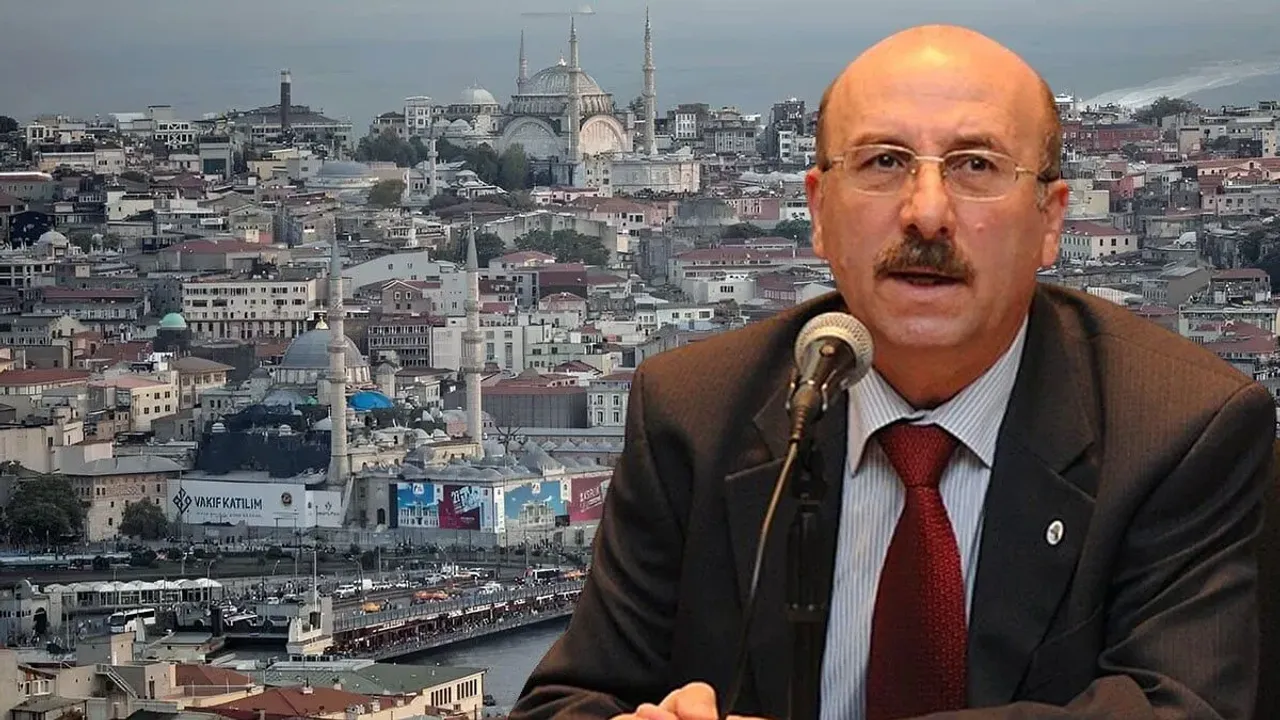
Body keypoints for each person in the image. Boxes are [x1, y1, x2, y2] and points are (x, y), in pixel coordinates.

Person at [510, 24, 1275, 720]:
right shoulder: (694, 412)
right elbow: (567, 702)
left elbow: (1181, 709)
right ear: (818, 211)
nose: (926, 212)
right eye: (883, 162)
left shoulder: (1181, 430)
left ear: (1050, 220)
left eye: (976, 166)